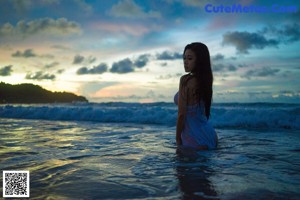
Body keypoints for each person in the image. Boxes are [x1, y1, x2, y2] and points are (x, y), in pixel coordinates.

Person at [175, 42, 218, 150]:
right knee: (204, 167)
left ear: (199, 61)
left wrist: (177, 139)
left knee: (182, 167)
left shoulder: (185, 80)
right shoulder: (205, 81)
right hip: (210, 135)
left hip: (192, 137)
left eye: (189, 58)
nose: (185, 62)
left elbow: (181, 114)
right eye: (184, 58)